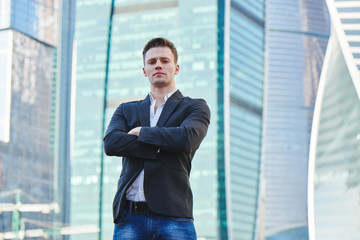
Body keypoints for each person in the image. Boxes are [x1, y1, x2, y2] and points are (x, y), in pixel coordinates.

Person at [104, 37, 210, 240]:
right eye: (152, 62)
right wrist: (165, 145)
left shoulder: (195, 107)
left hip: (174, 216)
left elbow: (187, 138)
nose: (158, 65)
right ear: (144, 70)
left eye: (164, 60)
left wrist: (143, 133)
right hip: (129, 217)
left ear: (176, 68)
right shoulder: (126, 110)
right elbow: (111, 143)